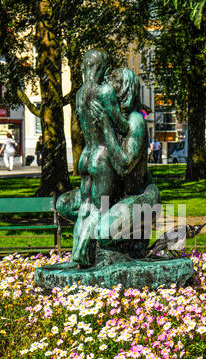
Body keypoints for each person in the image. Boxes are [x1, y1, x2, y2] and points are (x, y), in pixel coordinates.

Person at [54, 66, 160, 268]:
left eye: (112, 87)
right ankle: (115, 238)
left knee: (103, 232)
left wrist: (105, 126)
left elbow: (124, 167)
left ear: (124, 90)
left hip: (142, 197)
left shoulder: (135, 121)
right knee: (64, 204)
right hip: (116, 197)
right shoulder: (112, 117)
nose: (106, 92)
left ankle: (126, 243)